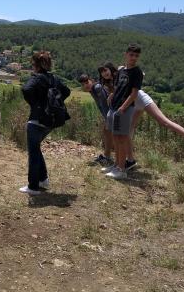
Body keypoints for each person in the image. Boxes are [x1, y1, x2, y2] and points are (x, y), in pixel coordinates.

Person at [19, 51, 70, 195]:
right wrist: (53, 101)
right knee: (36, 149)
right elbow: (67, 91)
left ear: (35, 65)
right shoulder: (54, 79)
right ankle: (43, 179)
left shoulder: (37, 78)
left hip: (36, 120)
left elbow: (26, 89)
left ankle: (33, 186)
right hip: (50, 121)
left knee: (33, 153)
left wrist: (36, 104)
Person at [129, 89, 184, 164]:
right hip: (134, 100)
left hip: (140, 98)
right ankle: (130, 159)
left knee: (164, 122)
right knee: (129, 128)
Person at [104, 44, 143, 180]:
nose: (133, 58)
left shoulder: (137, 72)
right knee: (115, 137)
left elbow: (133, 94)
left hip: (124, 108)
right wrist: (112, 94)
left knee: (121, 138)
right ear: (126, 54)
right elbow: (117, 87)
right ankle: (116, 165)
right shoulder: (122, 70)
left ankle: (121, 169)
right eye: (131, 55)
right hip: (115, 107)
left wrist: (123, 108)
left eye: (136, 56)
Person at [78, 73, 113, 166]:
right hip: (110, 114)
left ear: (90, 80)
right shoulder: (92, 90)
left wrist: (107, 118)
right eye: (83, 84)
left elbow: (105, 105)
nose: (85, 85)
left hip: (111, 114)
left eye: (86, 82)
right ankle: (107, 156)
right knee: (107, 133)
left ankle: (110, 158)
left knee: (111, 135)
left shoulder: (97, 88)